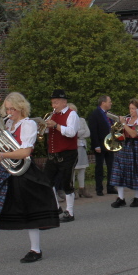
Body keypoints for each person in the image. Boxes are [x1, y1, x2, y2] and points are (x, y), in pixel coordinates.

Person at [0, 92, 59, 266]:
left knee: (30, 210)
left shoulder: (29, 124)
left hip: (23, 172)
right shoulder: (7, 123)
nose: (9, 112)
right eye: (7, 109)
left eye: (12, 109)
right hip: (6, 171)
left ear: (21, 108)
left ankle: (36, 250)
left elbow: (25, 152)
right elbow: (4, 145)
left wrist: (3, 155)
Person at [43, 89, 80, 222]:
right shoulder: (53, 115)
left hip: (68, 153)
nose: (54, 105)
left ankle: (70, 212)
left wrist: (56, 125)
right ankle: (56, 207)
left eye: (56, 102)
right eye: (53, 103)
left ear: (64, 102)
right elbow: (49, 131)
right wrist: (43, 126)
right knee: (46, 181)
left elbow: (71, 132)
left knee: (66, 183)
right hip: (53, 153)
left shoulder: (72, 114)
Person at [109, 98, 138, 208]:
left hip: (135, 146)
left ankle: (137, 198)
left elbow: (133, 134)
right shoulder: (127, 119)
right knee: (119, 170)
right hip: (124, 146)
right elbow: (119, 133)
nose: (131, 111)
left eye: (134, 109)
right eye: (130, 108)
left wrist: (123, 124)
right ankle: (120, 198)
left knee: (136, 171)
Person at [87, 95, 114, 196]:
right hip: (100, 144)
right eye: (109, 101)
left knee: (111, 166)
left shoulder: (109, 114)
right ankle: (99, 189)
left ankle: (110, 187)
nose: (111, 103)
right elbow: (93, 130)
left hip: (110, 144)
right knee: (99, 167)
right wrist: (96, 145)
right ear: (103, 103)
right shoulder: (95, 114)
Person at [67, 103, 93, 199]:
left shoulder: (81, 120)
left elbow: (88, 133)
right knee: (73, 169)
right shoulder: (67, 122)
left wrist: (78, 134)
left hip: (82, 146)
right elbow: (71, 134)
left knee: (82, 168)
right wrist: (78, 134)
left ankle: (82, 188)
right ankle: (72, 189)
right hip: (72, 147)